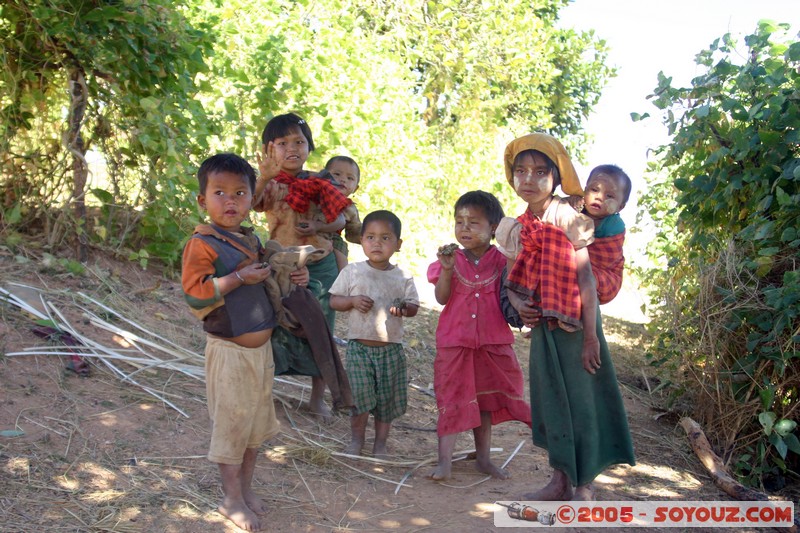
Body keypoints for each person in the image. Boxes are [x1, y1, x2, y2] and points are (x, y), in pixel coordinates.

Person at [498, 133, 635, 502]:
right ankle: (559, 480)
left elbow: (587, 280)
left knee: (582, 400)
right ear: (511, 177)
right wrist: (517, 302)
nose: (529, 179)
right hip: (544, 326)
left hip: (578, 324)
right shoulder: (515, 225)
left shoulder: (568, 217)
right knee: (552, 400)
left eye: (541, 172)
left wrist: (591, 337)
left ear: (557, 179)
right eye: (521, 171)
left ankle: (584, 485)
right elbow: (511, 278)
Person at [181, 153, 308, 531]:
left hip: (260, 354)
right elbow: (195, 294)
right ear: (203, 201)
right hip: (230, 353)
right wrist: (238, 279)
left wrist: (293, 277)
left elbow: (270, 285)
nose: (231, 201)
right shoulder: (202, 244)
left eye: (240, 192)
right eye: (220, 192)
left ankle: (246, 490)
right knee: (232, 427)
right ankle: (231, 499)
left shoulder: (248, 239)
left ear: (253, 198)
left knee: (253, 428)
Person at [252, 112, 352, 420]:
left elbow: (344, 216)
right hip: (281, 266)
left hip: (320, 266)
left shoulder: (321, 182)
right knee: (274, 326)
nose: (292, 148)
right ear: (270, 150)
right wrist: (265, 176)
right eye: (282, 143)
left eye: (299, 141)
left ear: (309, 146)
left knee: (320, 329)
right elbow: (252, 204)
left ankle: (317, 399)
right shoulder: (270, 185)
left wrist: (321, 225)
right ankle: (262, 394)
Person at [426, 191, 532, 481]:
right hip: (454, 343)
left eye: (473, 222)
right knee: (451, 398)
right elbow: (441, 298)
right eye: (459, 222)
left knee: (484, 402)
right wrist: (447, 272)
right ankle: (444, 462)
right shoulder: (450, 259)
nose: (464, 228)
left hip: (492, 343)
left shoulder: (502, 260)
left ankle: (483, 459)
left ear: (494, 228)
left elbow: (517, 290)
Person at [329, 210, 420, 458]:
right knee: (359, 398)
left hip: (390, 348)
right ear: (361, 240)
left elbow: (413, 307)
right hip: (359, 348)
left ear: (398, 244)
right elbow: (334, 301)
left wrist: (403, 308)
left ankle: (380, 443)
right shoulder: (352, 272)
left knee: (386, 402)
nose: (376, 243)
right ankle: (357, 440)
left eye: (385, 238)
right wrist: (352, 301)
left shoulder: (402, 276)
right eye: (370, 237)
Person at [579, 164, 632, 304]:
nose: (599, 197)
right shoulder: (574, 210)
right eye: (594, 189)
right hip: (577, 269)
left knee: (585, 280)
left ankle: (589, 325)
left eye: (609, 195)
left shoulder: (615, 225)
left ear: (620, 206)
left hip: (606, 275)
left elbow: (607, 258)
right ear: (584, 191)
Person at [321, 155, 362, 271]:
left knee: (340, 251)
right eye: (337, 174)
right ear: (324, 176)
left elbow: (354, 230)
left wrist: (368, 237)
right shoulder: (316, 192)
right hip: (307, 231)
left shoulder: (349, 207)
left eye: (350, 178)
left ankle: (342, 282)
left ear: (356, 188)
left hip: (332, 238)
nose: (343, 180)